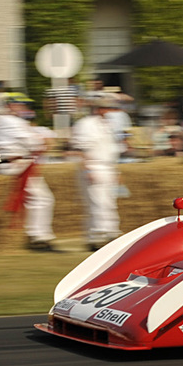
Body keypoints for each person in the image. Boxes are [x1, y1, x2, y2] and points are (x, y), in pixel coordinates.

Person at [0, 94, 56, 252]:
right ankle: (39, 237)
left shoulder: (3, 120)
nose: (25, 108)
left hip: (11, 161)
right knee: (44, 199)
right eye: (22, 105)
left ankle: (37, 235)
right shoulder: (10, 121)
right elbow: (33, 142)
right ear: (12, 105)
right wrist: (43, 141)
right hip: (13, 163)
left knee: (41, 198)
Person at [72, 96, 122, 251]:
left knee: (109, 202)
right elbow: (80, 148)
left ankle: (109, 233)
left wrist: (116, 171)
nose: (109, 111)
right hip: (94, 165)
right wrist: (87, 168)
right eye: (106, 108)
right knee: (98, 203)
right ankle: (99, 236)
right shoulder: (86, 124)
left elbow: (110, 150)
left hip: (107, 166)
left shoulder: (106, 125)